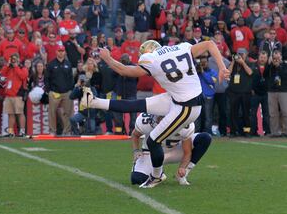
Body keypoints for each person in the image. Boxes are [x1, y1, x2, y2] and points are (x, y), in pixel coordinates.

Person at [84, 39, 228, 188]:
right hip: (181, 98)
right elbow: (210, 44)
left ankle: (157, 176)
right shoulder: (182, 47)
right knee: (137, 105)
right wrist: (222, 67)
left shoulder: (152, 60)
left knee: (153, 140)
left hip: (186, 106)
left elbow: (124, 71)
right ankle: (94, 101)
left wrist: (107, 58)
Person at [129, 114, 212, 186]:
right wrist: (136, 150)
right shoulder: (146, 120)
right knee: (137, 179)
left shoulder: (184, 124)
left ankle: (181, 176)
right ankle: (159, 174)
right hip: (151, 154)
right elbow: (135, 134)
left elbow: (187, 152)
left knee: (205, 138)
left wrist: (183, 167)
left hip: (174, 151)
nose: (159, 122)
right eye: (158, 118)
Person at [46, 47, 73, 135]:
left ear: (65, 52)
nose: (61, 53)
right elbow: (47, 78)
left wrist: (70, 90)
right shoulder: (51, 64)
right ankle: (52, 131)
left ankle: (67, 131)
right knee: (52, 113)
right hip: (54, 92)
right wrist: (49, 91)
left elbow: (71, 78)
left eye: (62, 51)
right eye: (59, 51)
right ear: (56, 52)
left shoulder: (68, 64)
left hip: (66, 92)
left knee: (67, 112)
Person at [227, 48, 254, 136]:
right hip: (234, 92)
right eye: (239, 54)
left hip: (245, 92)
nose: (240, 56)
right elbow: (228, 73)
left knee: (246, 113)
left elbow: (250, 72)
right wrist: (233, 62)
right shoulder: (233, 64)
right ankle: (233, 131)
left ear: (246, 55)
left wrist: (243, 63)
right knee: (233, 113)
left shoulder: (249, 63)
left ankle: (246, 131)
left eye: (242, 54)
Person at [0, 55, 28, 137]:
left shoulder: (23, 68)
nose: (13, 60)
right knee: (10, 114)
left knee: (20, 113)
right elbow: (2, 74)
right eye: (12, 59)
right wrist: (8, 65)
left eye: (15, 59)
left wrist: (16, 66)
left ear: (18, 59)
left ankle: (22, 131)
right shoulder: (9, 68)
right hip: (9, 95)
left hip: (18, 94)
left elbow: (23, 76)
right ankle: (10, 132)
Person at [265, 52, 287, 137]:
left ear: (281, 57)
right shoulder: (270, 66)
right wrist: (269, 64)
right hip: (272, 91)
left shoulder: (285, 65)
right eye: (274, 58)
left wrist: (279, 66)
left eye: (278, 58)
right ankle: (275, 132)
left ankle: (285, 131)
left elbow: (285, 76)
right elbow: (265, 74)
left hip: (283, 91)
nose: (276, 60)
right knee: (273, 113)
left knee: (285, 112)